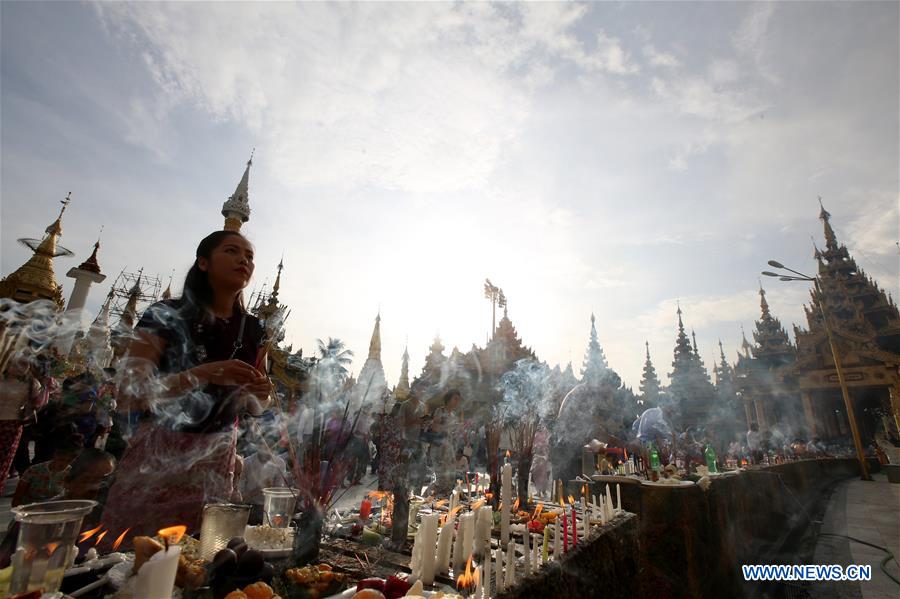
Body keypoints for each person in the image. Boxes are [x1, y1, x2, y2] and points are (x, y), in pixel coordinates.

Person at [100, 231, 273, 546]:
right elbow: (131, 392)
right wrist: (201, 374)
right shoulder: (165, 314)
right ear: (203, 263)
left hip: (217, 457)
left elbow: (255, 404)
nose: (244, 261)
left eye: (249, 256)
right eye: (232, 251)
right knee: (137, 553)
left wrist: (260, 393)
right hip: (158, 452)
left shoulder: (255, 329)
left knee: (199, 558)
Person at [12, 433, 83, 507]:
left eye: (69, 461)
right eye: (61, 459)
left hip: (55, 509)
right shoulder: (34, 470)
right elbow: (17, 498)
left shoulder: (70, 473)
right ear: (55, 455)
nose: (64, 464)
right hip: (30, 509)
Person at [430, 389, 463, 495]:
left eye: (458, 399)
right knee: (440, 479)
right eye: (455, 399)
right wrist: (447, 427)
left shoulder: (453, 416)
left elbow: (454, 434)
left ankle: (444, 502)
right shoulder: (440, 411)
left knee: (450, 478)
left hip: (449, 450)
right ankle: (427, 497)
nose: (457, 402)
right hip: (439, 448)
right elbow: (434, 427)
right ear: (448, 399)